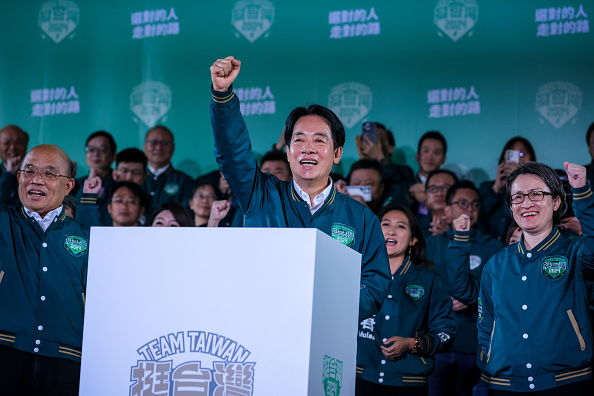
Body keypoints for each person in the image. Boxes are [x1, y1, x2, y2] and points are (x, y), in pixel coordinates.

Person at [210, 56, 391, 320]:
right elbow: (232, 152)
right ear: (287, 151)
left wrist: (328, 311)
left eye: (320, 140)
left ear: (337, 153)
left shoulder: (361, 218)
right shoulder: (261, 196)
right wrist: (223, 95)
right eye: (299, 140)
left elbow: (374, 283)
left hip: (326, 337)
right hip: (258, 326)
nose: (308, 148)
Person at [450, 162, 594, 394]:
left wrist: (582, 193)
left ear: (556, 202)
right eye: (517, 197)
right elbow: (486, 324)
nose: (526, 203)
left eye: (536, 194)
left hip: (567, 383)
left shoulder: (576, 252)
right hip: (504, 385)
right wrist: (487, 369)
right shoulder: (496, 264)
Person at [0, 144, 98, 395]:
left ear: (68, 186)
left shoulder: (85, 235)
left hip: (66, 360)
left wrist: (89, 205)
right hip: (7, 353)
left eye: (49, 174)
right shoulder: (4, 221)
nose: (37, 179)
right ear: (19, 177)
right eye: (29, 171)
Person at [356, 205, 455, 395]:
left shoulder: (430, 280)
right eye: (385, 224)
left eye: (401, 226)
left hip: (408, 384)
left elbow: (446, 334)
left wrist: (412, 344)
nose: (391, 230)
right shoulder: (356, 272)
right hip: (360, 379)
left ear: (413, 239)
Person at [426, 181, 503, 396]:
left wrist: (471, 295)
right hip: (437, 345)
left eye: (475, 204)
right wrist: (443, 299)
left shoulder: (493, 247)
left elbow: (498, 291)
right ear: (447, 210)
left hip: (476, 346)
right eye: (462, 203)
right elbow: (418, 287)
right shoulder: (432, 244)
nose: (470, 208)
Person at [479, 137, 536, 242]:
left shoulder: (535, 192)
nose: (518, 160)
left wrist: (516, 182)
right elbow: (477, 215)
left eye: (522, 154)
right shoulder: (487, 188)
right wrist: (496, 188)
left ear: (532, 160)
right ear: (503, 160)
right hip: (490, 250)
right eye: (512, 155)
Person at [142, 125, 195, 218]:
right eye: (153, 142)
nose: (158, 147)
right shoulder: (135, 178)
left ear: (173, 148)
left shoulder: (185, 182)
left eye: (164, 143)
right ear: (145, 147)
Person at [73, 131, 117, 225]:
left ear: (113, 156)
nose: (96, 154)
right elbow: (74, 211)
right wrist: (90, 180)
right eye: (91, 149)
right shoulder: (76, 184)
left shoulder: (118, 184)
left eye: (102, 149)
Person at [409, 131, 448, 215]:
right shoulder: (404, 186)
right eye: (426, 151)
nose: (430, 157)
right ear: (417, 156)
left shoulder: (449, 190)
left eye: (436, 153)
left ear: (444, 159)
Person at [418, 169, 459, 238]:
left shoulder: (468, 224)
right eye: (433, 189)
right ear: (425, 195)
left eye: (445, 188)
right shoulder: (413, 225)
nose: (439, 193)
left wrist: (450, 234)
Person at [0, 125, 29, 207]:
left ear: (26, 145)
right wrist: (9, 173)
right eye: (6, 143)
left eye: (18, 143)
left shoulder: (35, 173)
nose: (12, 147)